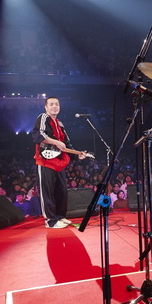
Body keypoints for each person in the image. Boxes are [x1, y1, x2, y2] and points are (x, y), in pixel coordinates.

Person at [32, 96, 89, 228]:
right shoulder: (43, 117)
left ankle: (60, 217)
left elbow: (67, 144)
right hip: (45, 161)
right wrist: (56, 142)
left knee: (62, 191)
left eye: (57, 104)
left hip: (59, 162)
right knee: (47, 192)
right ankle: (50, 221)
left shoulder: (60, 124)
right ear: (46, 107)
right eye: (51, 104)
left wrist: (78, 155)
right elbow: (38, 134)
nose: (54, 106)